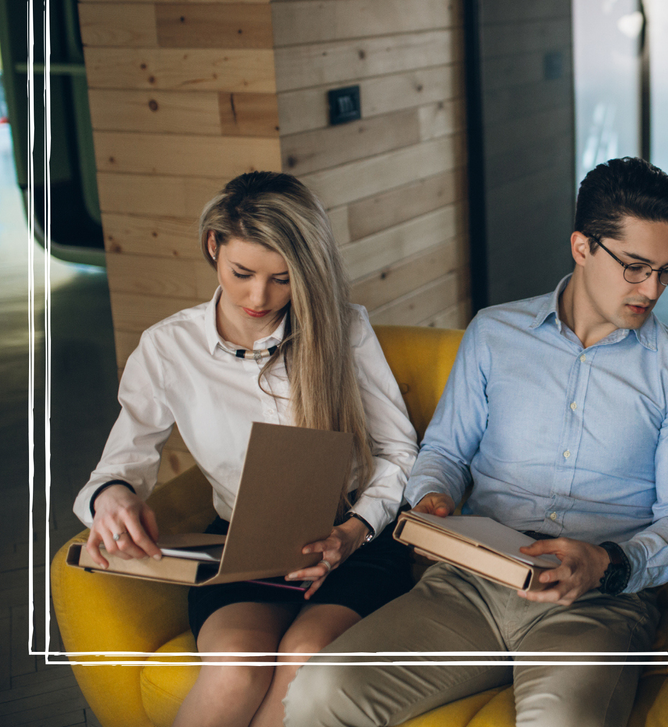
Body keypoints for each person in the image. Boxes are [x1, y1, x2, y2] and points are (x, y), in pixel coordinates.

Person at [284, 158, 668, 727]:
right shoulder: (493, 334)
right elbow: (443, 453)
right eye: (637, 267)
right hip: (470, 583)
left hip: (595, 604)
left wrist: (608, 563)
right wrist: (432, 499)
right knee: (322, 689)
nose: (653, 289)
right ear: (582, 247)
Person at [74, 171, 419, 727]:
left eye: (283, 280)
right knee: (236, 667)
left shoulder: (343, 327)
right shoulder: (168, 348)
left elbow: (400, 451)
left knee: (303, 659)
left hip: (355, 541)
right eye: (242, 274)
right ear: (213, 245)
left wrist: (352, 532)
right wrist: (112, 497)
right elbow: (121, 463)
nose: (260, 298)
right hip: (241, 546)